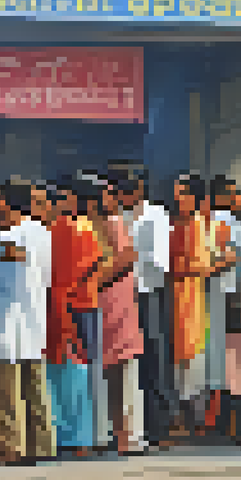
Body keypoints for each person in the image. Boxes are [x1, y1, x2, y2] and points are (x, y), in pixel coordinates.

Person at [0, 180, 55, 466]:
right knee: (33, 385)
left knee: (6, 389)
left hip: (10, 321)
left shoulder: (22, 233)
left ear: (9, 203)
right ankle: (39, 444)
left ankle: (10, 447)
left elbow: (18, 256)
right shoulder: (37, 232)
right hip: (25, 319)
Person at [46, 178, 109, 457]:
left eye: (64, 196)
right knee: (80, 370)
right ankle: (84, 435)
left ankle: (72, 435)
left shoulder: (65, 228)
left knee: (69, 369)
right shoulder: (87, 229)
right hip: (82, 304)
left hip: (68, 305)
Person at [115, 169, 177, 450]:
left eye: (127, 192)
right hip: (123, 294)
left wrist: (131, 262)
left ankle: (158, 426)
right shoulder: (119, 217)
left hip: (149, 292)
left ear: (139, 191)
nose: (123, 198)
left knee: (155, 357)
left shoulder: (156, 216)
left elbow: (159, 261)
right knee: (130, 361)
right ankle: (134, 425)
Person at [168, 173, 231, 442]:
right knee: (184, 360)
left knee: (206, 357)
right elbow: (178, 267)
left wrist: (217, 264)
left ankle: (206, 418)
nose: (177, 198)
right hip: (182, 299)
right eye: (176, 193)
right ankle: (183, 416)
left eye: (182, 193)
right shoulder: (175, 226)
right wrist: (213, 266)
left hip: (208, 300)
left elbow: (228, 255)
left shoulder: (214, 227)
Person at [94, 174, 145, 455]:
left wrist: (94, 280)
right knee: (111, 373)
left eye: (111, 193)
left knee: (124, 372)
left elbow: (127, 257)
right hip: (105, 304)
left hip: (119, 304)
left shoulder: (115, 223)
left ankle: (129, 434)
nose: (108, 198)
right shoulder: (101, 224)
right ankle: (117, 432)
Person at [210, 175, 241, 439]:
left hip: (208, 298)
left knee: (220, 360)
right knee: (238, 362)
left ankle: (220, 421)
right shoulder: (232, 225)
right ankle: (239, 423)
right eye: (236, 194)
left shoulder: (205, 223)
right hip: (232, 296)